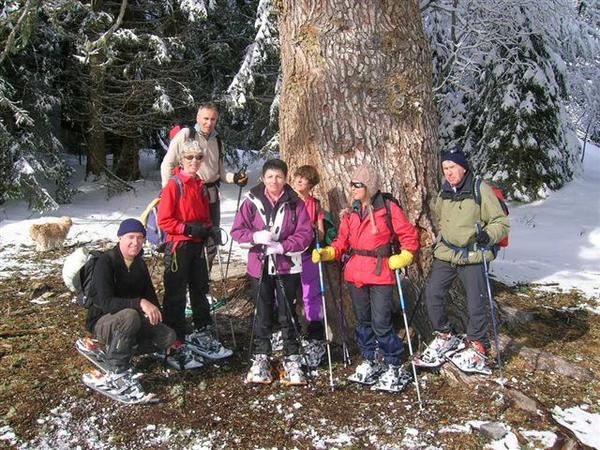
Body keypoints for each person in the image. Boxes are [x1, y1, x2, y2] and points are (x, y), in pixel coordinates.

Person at [312, 164, 420, 392]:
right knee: (363, 322)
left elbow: (408, 235)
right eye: (351, 184)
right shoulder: (351, 213)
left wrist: (405, 256)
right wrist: (329, 252)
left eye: (357, 185)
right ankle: (370, 360)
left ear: (369, 187)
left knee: (382, 322)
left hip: (380, 271)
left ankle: (394, 365)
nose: (352, 189)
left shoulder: (388, 208)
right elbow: (342, 242)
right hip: (355, 272)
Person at [416, 145, 510, 374]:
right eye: (445, 168)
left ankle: (478, 346)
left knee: (475, 302)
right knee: (433, 293)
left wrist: (488, 235)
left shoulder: (480, 189)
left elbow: (501, 222)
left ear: (463, 167)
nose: (449, 172)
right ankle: (445, 335)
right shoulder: (444, 190)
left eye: (453, 167)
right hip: (447, 253)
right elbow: (442, 217)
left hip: (475, 254)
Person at [231, 159, 313, 385]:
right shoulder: (251, 201)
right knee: (262, 310)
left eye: (278, 177)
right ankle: (261, 356)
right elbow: (237, 231)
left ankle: (291, 355)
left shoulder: (295, 203)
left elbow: (305, 234)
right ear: (262, 179)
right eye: (270, 177)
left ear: (285, 178)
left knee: (288, 311)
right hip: (259, 264)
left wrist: (283, 246)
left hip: (287, 265)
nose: (274, 181)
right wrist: (255, 237)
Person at [158, 139, 232, 369]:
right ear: (181, 160)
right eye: (189, 157)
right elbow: (164, 220)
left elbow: (204, 216)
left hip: (198, 245)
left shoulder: (199, 184)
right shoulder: (175, 184)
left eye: (198, 158)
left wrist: (212, 229)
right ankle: (174, 340)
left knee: (200, 289)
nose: (194, 161)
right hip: (179, 245)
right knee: (176, 294)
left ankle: (202, 330)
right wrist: (187, 229)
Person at [84, 218, 176, 393]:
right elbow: (106, 303)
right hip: (102, 322)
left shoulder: (139, 264)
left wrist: (161, 324)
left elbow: (151, 299)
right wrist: (139, 302)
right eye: (130, 237)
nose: (136, 242)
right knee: (130, 315)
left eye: (140, 237)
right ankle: (117, 368)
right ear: (120, 238)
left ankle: (123, 346)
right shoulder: (106, 262)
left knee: (168, 336)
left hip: (131, 321)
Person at [160, 102, 248, 269]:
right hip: (187, 193)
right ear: (198, 118)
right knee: (187, 235)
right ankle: (183, 274)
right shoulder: (187, 134)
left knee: (211, 236)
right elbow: (167, 164)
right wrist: (169, 192)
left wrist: (235, 178)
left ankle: (203, 277)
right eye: (206, 118)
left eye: (213, 119)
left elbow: (220, 173)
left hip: (210, 193)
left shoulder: (217, 139)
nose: (209, 123)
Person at [292, 165, 327, 368]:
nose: (299, 181)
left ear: (311, 185)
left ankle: (315, 333)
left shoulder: (315, 204)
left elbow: (321, 231)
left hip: (307, 253)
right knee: (286, 292)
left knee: (310, 293)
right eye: (297, 177)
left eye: (304, 180)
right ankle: (288, 330)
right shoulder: (288, 200)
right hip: (288, 253)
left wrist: (315, 232)